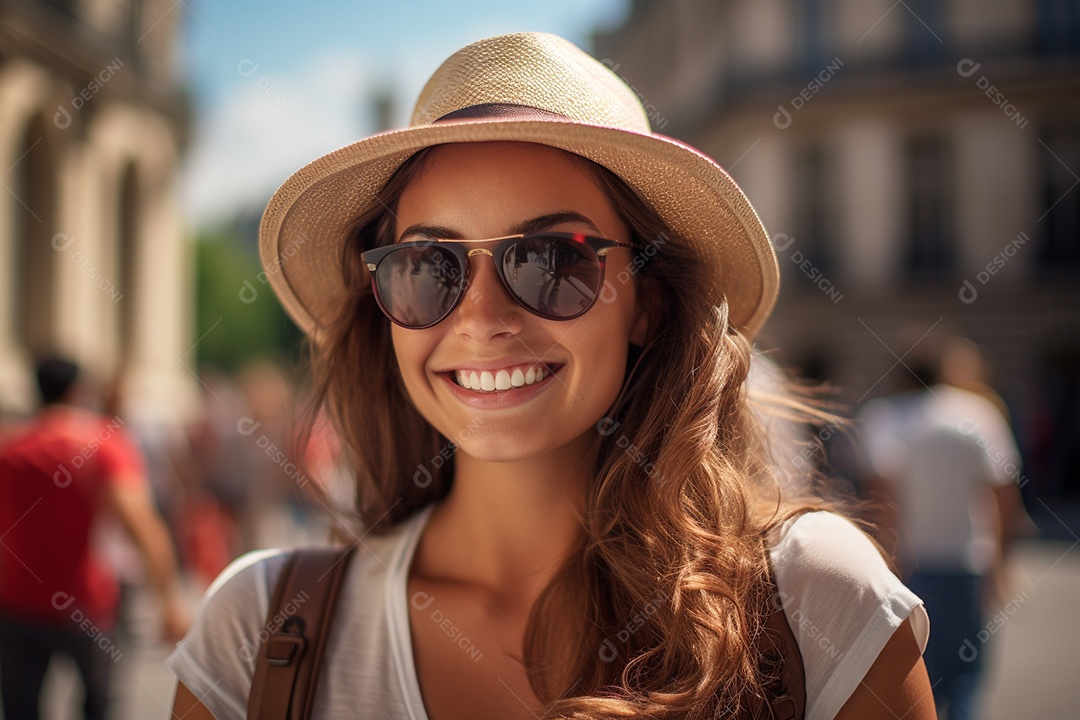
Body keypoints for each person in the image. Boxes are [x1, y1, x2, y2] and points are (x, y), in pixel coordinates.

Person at [168, 32, 934, 719]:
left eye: (553, 258)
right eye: (427, 266)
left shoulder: (811, 602)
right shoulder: (258, 630)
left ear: (648, 303)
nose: (480, 318)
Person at [0, 357, 188, 720]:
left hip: (16, 602)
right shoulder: (104, 443)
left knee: (20, 709)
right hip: (87, 604)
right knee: (99, 707)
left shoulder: (11, 446)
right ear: (77, 391)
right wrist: (168, 601)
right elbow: (142, 524)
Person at [859, 337, 1025, 720]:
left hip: (910, 567)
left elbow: (881, 500)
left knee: (915, 679)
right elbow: (1005, 496)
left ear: (901, 375)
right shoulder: (978, 413)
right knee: (966, 678)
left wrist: (885, 561)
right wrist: (1001, 563)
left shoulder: (886, 417)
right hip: (968, 561)